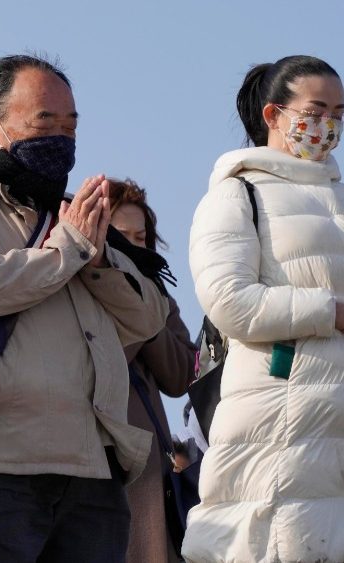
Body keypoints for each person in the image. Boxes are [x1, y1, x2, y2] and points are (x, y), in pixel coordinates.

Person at [0, 54, 170, 563]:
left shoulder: (73, 215)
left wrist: (98, 260)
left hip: (92, 470)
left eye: (70, 126)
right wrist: (69, 250)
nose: (60, 138)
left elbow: (149, 318)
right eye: (44, 123)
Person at [185, 55, 344, 562]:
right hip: (275, 417)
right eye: (316, 111)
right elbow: (230, 301)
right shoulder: (237, 193)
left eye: (338, 113)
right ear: (273, 115)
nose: (328, 124)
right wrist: (331, 311)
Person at [107, 179, 196, 562]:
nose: (132, 244)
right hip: (97, 456)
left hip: (150, 467)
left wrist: (144, 310)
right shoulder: (76, 288)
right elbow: (101, 363)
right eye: (120, 235)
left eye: (140, 237)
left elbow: (182, 375)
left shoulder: (159, 295)